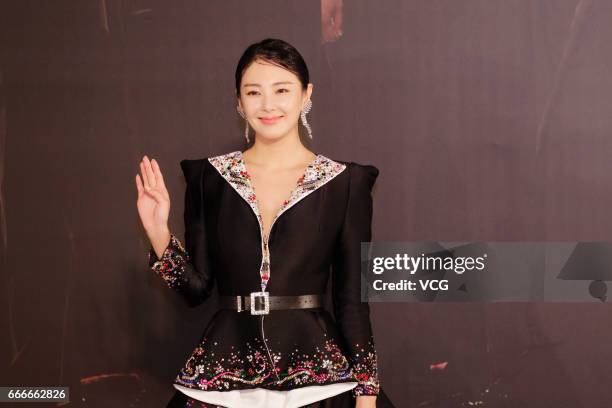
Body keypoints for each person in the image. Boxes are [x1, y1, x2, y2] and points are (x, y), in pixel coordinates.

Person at [136, 39, 393, 408]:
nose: (268, 104)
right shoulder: (210, 178)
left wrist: (366, 394)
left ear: (306, 95)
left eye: (282, 90)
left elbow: (352, 302)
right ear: (239, 102)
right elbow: (196, 291)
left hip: (318, 382)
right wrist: (158, 230)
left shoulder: (345, 183)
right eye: (254, 92)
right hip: (222, 376)